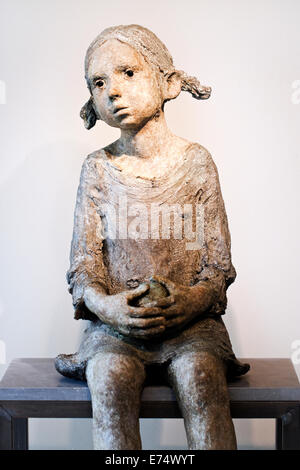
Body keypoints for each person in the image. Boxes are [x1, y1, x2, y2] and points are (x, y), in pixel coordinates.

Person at [55, 24, 249, 450]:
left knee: (201, 376)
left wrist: (193, 301)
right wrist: (107, 306)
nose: (113, 92)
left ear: (168, 83)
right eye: (99, 82)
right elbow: (84, 264)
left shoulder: (196, 163)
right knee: (109, 378)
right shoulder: (98, 170)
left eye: (127, 73)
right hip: (114, 330)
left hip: (193, 328)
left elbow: (216, 265)